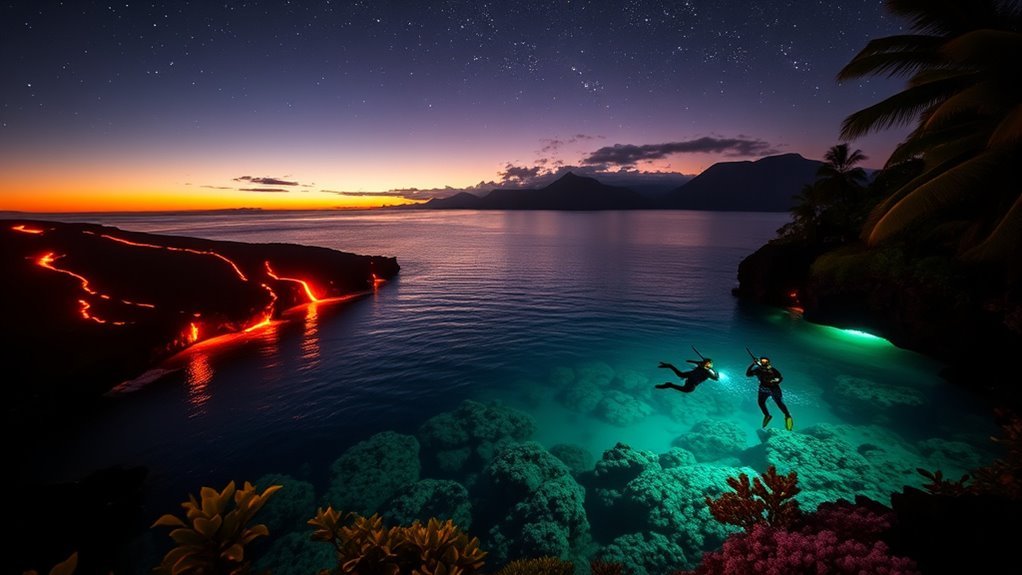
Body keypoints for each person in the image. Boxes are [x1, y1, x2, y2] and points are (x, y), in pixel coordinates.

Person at [746, 356, 793, 430]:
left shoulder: (771, 370)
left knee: (779, 403)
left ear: (768, 362)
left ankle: (787, 416)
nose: (764, 362)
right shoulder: (758, 370)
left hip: (773, 389)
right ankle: (768, 415)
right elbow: (748, 374)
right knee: (761, 402)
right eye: (762, 361)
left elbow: (780, 377)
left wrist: (775, 381)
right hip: (764, 389)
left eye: (765, 361)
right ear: (760, 362)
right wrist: (753, 364)